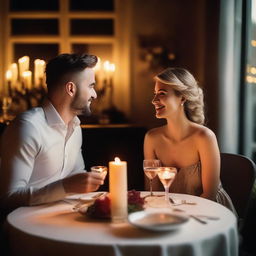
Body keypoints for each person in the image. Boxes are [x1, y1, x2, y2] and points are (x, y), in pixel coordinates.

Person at [0, 53, 106, 215]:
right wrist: (65, 187)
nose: (95, 94)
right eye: (91, 86)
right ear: (71, 88)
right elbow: (8, 198)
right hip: (24, 227)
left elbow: (76, 180)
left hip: (61, 218)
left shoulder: (75, 127)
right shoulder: (28, 127)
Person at [144, 67, 236, 213]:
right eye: (155, 94)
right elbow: (153, 193)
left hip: (208, 211)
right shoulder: (152, 138)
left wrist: (181, 218)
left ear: (182, 98)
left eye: (162, 94)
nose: (154, 100)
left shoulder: (205, 137)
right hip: (170, 213)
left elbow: (210, 195)